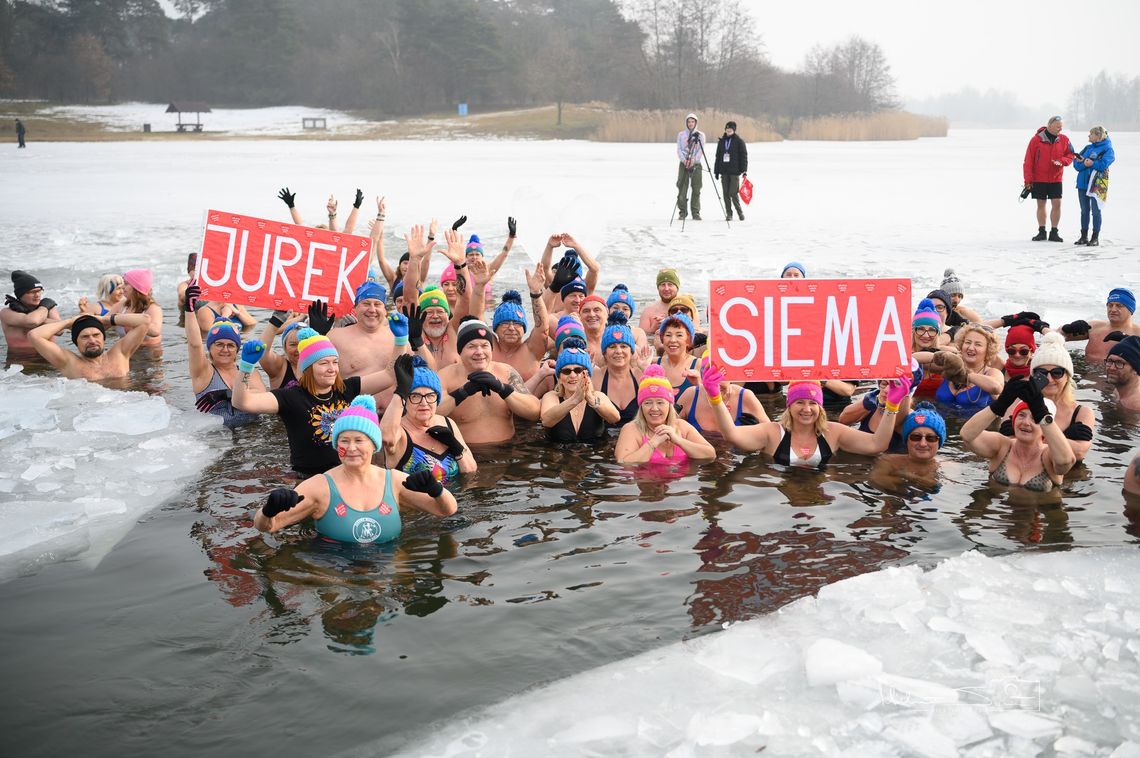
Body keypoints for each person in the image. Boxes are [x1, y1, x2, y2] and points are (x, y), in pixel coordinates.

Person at [253, 396, 457, 545]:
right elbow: (266, 526)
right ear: (336, 445)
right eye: (344, 441)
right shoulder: (321, 486)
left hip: (388, 573)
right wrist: (268, 510)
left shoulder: (393, 481)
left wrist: (435, 489)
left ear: (373, 445)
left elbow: (446, 510)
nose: (351, 448)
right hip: (336, 573)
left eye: (359, 440)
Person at [231, 327, 395, 478]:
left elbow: (389, 376)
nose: (332, 369)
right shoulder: (291, 397)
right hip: (309, 479)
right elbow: (242, 402)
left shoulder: (346, 388)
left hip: (347, 474)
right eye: (324, 363)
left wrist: (401, 340)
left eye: (335, 362)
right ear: (308, 368)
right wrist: (246, 367)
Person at [700, 372, 911, 468]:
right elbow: (731, 434)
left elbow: (877, 445)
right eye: (800, 402)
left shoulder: (833, 432)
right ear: (789, 405)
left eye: (812, 403)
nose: (807, 409)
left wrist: (892, 405)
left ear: (820, 407)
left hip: (819, 502)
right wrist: (715, 398)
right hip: (782, 501)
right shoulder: (772, 433)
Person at [436, 319, 542, 445]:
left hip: (508, 451)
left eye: (485, 346)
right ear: (460, 351)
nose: (479, 352)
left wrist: (503, 390)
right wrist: (462, 393)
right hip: (466, 453)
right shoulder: (444, 376)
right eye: (472, 346)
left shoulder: (506, 372)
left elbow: (534, 412)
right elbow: (430, 413)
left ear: (491, 349)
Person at [961, 377, 1076, 492]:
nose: (1025, 422)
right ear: (1014, 420)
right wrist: (999, 405)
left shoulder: (1048, 456)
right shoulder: (1003, 446)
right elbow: (967, 435)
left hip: (1041, 509)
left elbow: (1066, 462)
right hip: (998, 508)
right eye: (1021, 415)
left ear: (1045, 428)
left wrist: (1041, 414)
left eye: (1034, 418)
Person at [382, 355, 476, 487]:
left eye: (430, 396)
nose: (424, 403)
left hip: (454, 503)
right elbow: (386, 437)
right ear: (405, 400)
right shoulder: (399, 432)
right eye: (415, 396)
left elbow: (470, 472)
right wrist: (400, 392)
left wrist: (456, 447)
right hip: (414, 506)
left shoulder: (447, 423)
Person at [183, 291, 259, 428]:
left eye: (230, 345)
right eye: (219, 344)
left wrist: (228, 394)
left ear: (237, 349)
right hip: (217, 439)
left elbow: (262, 399)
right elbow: (194, 345)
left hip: (251, 435)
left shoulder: (251, 372)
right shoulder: (204, 372)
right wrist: (189, 310)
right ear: (210, 348)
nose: (225, 349)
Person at [615, 364, 715, 467]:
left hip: (678, 482)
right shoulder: (631, 429)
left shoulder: (682, 426)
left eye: (660, 402)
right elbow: (623, 462)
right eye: (648, 403)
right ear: (641, 407)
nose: (654, 408)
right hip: (647, 481)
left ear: (669, 405)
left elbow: (710, 454)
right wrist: (653, 443)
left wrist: (678, 440)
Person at [27, 312, 151, 381]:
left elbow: (144, 320)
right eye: (85, 337)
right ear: (76, 342)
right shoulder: (68, 362)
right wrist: (69, 322)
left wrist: (105, 319)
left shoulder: (120, 353)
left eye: (96, 335)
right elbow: (34, 335)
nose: (92, 340)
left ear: (103, 337)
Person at [541, 339, 620, 444]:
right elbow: (546, 421)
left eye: (578, 370)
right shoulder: (552, 396)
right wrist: (574, 400)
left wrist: (591, 400)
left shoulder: (597, 396)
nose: (572, 375)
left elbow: (615, 418)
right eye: (566, 371)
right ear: (559, 378)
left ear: (587, 375)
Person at [870, 402, 947, 490]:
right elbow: (876, 479)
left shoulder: (948, 467)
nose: (923, 444)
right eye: (916, 437)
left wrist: (907, 476)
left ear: (939, 442)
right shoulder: (888, 461)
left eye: (931, 438)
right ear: (906, 440)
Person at [1023, 115, 1074, 242]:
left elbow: (1071, 154)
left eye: (1061, 127)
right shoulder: (1036, 140)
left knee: (1057, 204)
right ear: (1050, 125)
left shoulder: (1064, 139)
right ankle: (1042, 232)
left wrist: (1062, 161)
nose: (1060, 129)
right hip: (1039, 178)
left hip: (1056, 178)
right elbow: (1028, 161)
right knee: (1041, 204)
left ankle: (1054, 232)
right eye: (1058, 127)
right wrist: (1028, 181)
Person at [492, 271, 549, 382]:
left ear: (524, 328)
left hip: (528, 398)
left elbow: (543, 329)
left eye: (517, 323)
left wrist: (536, 293)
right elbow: (475, 317)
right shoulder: (488, 347)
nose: (511, 328)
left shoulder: (531, 350)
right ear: (495, 328)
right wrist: (480, 287)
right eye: (505, 323)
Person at [935, 323, 1004, 411]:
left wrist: (965, 374)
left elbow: (996, 387)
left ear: (988, 350)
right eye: (968, 342)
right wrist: (942, 355)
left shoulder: (992, 372)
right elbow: (917, 358)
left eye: (978, 344)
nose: (971, 348)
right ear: (961, 345)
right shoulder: (951, 366)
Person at [1059, 287, 1139, 361]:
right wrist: (1067, 328)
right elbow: (1054, 336)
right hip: (1087, 374)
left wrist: (1130, 341)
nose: (1113, 309)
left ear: (1130, 309)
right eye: (1110, 305)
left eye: (1119, 306)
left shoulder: (1137, 333)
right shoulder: (1094, 327)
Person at [595, 312, 642, 426]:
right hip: (603, 441)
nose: (618, 351)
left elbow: (666, 405)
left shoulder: (640, 375)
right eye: (612, 347)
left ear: (631, 351)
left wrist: (647, 370)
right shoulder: (596, 376)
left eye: (623, 346)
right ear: (604, 353)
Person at [1072, 125, 1114, 247]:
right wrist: (1084, 163)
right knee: (1084, 211)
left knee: (1096, 211)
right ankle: (1083, 236)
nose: (1088, 136)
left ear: (1098, 136)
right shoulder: (1087, 148)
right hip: (1082, 184)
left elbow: (1104, 164)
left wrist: (1091, 163)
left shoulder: (1108, 149)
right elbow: (1076, 164)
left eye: (1091, 134)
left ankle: (1095, 238)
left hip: (1096, 185)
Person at [2, 270, 60, 353]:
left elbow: (59, 331)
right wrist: (43, 308)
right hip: (22, 359)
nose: (37, 295)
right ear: (20, 294)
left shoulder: (49, 307)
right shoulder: (6, 313)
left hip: (49, 357)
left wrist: (35, 312)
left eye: (39, 291)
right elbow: (33, 321)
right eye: (32, 292)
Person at [108, 268, 163, 351]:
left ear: (136, 288)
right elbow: (102, 323)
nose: (122, 287)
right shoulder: (121, 305)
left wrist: (120, 319)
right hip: (125, 353)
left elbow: (155, 331)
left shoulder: (153, 308)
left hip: (148, 356)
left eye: (126, 284)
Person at [655, 312, 699, 398]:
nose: (673, 340)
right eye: (668, 335)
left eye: (679, 335)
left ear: (688, 340)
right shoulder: (653, 364)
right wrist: (643, 368)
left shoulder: (699, 365)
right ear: (662, 339)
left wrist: (699, 384)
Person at [714, 121, 748, 221]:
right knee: (725, 194)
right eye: (727, 128)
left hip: (734, 172)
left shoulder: (739, 141)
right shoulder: (722, 141)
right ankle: (729, 214)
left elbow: (744, 157)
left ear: (734, 130)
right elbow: (718, 157)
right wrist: (716, 171)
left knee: (733, 193)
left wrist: (744, 170)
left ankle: (740, 212)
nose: (729, 130)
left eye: (731, 129)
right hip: (724, 172)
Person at [675, 113, 705, 221]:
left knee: (696, 188)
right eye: (689, 122)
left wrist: (693, 160)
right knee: (682, 187)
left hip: (695, 164)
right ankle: (682, 212)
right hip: (683, 163)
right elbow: (679, 149)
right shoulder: (681, 135)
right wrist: (684, 160)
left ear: (695, 123)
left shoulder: (700, 135)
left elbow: (701, 150)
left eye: (692, 122)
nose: (690, 124)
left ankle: (695, 212)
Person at [639, 268, 680, 336]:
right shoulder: (648, 312)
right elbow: (642, 339)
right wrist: (654, 328)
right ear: (658, 288)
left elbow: (694, 336)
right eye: (663, 284)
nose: (666, 288)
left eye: (670, 284)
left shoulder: (687, 309)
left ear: (677, 287)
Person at [1106, 336, 1140, 411]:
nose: (1112, 368)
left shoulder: (1136, 405)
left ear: (1135, 369)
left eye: (1119, 363)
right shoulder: (1117, 391)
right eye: (1110, 361)